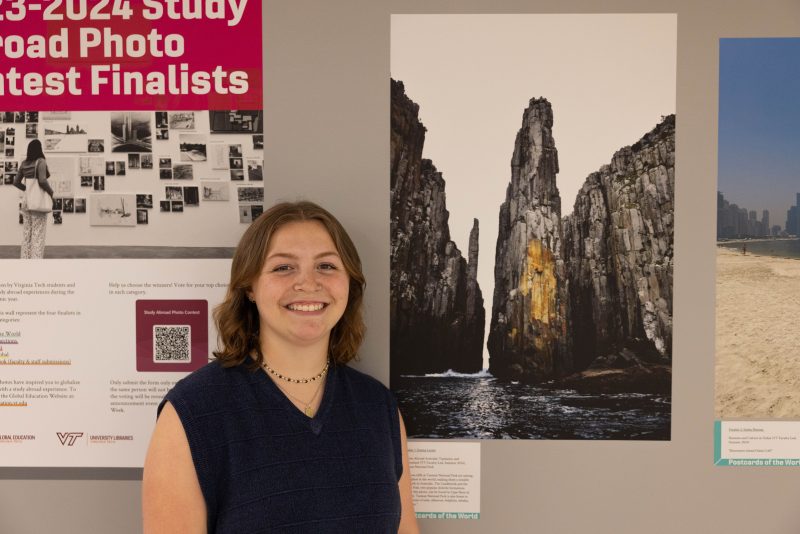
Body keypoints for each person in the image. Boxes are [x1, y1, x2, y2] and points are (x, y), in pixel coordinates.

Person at [143, 201, 419, 533]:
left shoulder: (379, 408)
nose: (308, 283)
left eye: (327, 266)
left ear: (349, 283)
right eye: (283, 267)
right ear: (250, 287)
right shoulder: (193, 412)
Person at [13, 139, 53, 259]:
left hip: (26, 201)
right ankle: (36, 264)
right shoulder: (41, 161)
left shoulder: (24, 163)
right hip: (37, 202)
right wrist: (51, 193)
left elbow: (15, 182)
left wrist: (27, 189)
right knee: (38, 233)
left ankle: (25, 261)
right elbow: (42, 181)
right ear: (39, 149)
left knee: (27, 233)